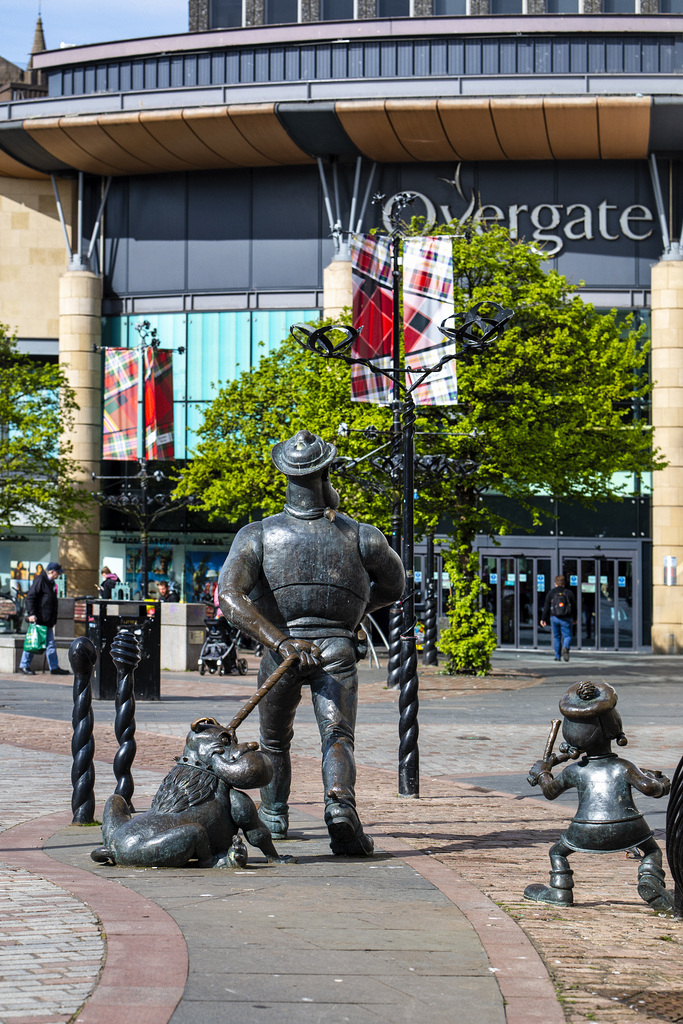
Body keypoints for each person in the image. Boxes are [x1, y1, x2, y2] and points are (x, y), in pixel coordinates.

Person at [219, 428, 405, 857]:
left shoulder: (257, 534)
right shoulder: (363, 535)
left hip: (280, 653)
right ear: (326, 474)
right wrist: (354, 615)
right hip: (335, 648)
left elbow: (229, 596)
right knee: (337, 735)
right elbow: (394, 587)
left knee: (273, 740)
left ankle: (274, 816)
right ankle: (339, 804)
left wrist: (280, 640)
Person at [19, 562, 69, 676]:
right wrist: (31, 613)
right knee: (33, 642)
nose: (59, 575)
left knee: (50, 644)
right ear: (51, 571)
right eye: (58, 573)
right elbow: (30, 597)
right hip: (39, 619)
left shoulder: (50, 583)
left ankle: (54, 667)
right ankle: (24, 665)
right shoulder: (41, 580)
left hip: (46, 619)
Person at [540, 574, 576, 662]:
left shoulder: (551, 592)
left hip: (554, 617)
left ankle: (557, 656)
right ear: (564, 583)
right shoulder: (569, 593)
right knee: (567, 636)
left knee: (556, 637)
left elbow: (546, 606)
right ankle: (565, 647)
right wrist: (575, 618)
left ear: (555, 583)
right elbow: (574, 607)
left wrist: (543, 618)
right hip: (566, 617)